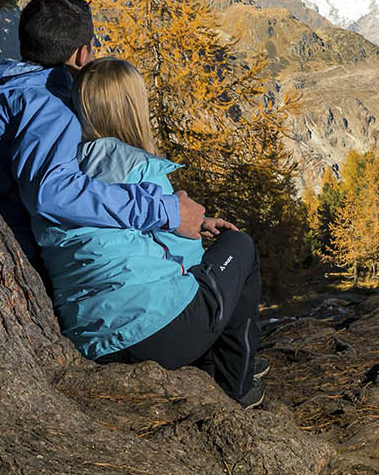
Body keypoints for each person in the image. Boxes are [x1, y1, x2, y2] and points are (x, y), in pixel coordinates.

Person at [37, 57, 265, 407]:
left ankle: (211, 363)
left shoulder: (59, 179)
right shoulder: (137, 164)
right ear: (132, 110)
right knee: (239, 245)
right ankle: (237, 387)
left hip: (95, 343)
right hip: (157, 336)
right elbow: (188, 261)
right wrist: (199, 230)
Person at [0, 0, 207, 288]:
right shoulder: (50, 109)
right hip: (10, 248)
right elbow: (53, 193)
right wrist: (165, 210)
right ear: (82, 54)